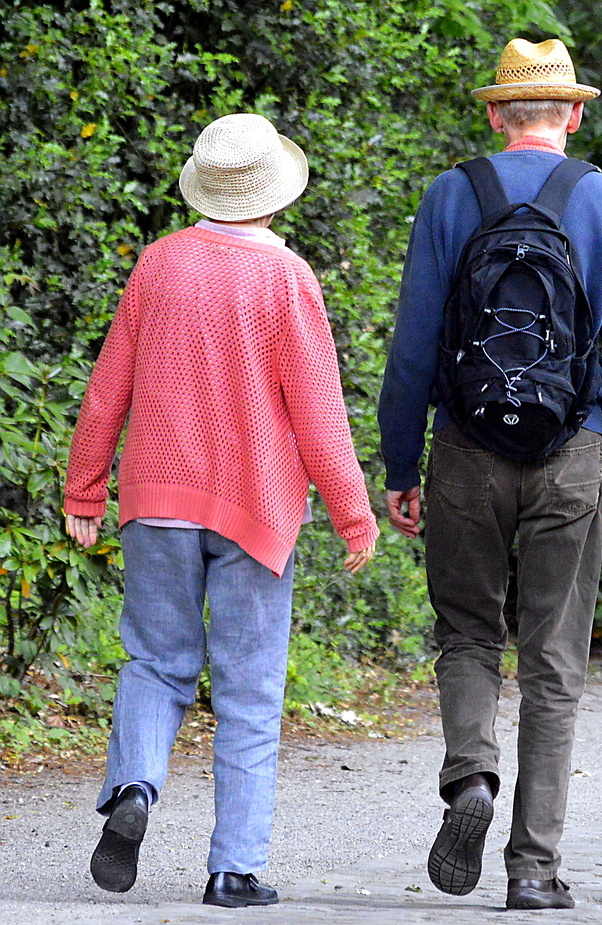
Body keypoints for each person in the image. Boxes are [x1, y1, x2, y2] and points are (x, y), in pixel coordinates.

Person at [378, 38, 602, 910]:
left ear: (495, 113)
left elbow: (412, 349)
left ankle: (470, 776)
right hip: (569, 454)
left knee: (467, 632)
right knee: (552, 662)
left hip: (465, 450)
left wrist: (400, 462)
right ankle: (533, 869)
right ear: (574, 113)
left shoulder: (449, 195)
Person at [64, 112, 379, 908]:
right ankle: (233, 868)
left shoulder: (159, 264)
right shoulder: (286, 279)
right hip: (255, 510)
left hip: (155, 500)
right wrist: (353, 513)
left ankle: (134, 790)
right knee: (248, 689)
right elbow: (318, 413)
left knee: (154, 663)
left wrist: (84, 489)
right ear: (273, 196)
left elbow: (108, 391)